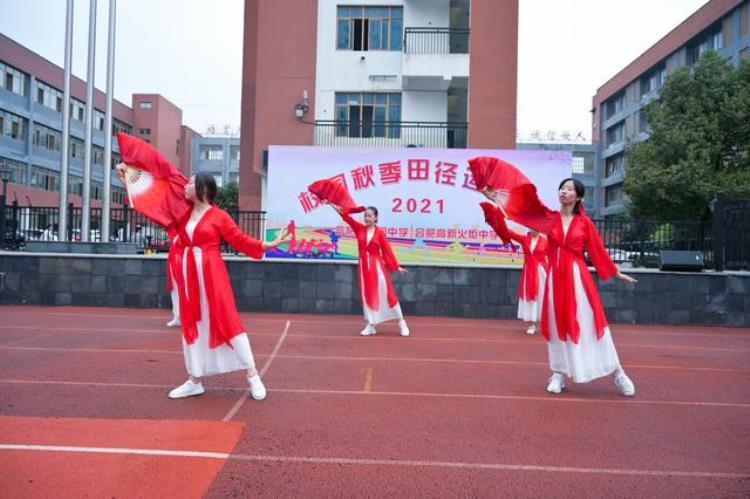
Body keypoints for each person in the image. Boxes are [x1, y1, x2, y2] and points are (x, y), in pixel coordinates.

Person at [116, 167, 288, 400]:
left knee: (227, 320)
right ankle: (194, 379)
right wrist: (129, 180)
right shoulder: (183, 214)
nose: (185, 186)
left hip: (212, 275)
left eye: (190, 183)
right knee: (193, 325)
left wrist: (266, 246)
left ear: (203, 189)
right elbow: (157, 203)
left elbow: (239, 240)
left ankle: (252, 374)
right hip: (188, 277)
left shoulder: (219, 216)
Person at [485, 178, 638, 396]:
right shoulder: (549, 219)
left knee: (590, 325)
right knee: (557, 327)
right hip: (554, 279)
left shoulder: (584, 223)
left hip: (577, 279)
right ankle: (558, 374)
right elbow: (522, 212)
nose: (563, 192)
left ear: (578, 197)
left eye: (569, 189)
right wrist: (494, 197)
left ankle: (618, 373)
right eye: (562, 188)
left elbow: (597, 251)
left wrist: (616, 272)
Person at [328, 203, 411, 337]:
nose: (367, 218)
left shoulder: (380, 234)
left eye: (369, 216)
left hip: (377, 268)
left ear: (375, 218)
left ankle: (402, 322)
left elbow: (387, 250)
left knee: (387, 294)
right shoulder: (359, 229)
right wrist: (331, 204)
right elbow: (344, 215)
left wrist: (396, 266)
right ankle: (371, 325)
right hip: (364, 268)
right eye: (365, 216)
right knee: (368, 296)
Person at [488, 217, 549, 335]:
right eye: (531, 227)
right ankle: (532, 324)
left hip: (542, 272)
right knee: (532, 298)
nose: (534, 229)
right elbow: (509, 233)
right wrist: (495, 223)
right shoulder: (524, 239)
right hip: (530, 272)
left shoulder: (546, 241)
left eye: (536, 227)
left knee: (544, 297)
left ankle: (546, 323)